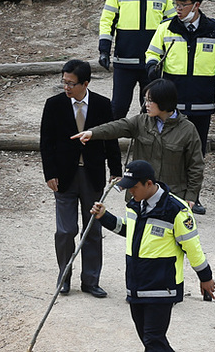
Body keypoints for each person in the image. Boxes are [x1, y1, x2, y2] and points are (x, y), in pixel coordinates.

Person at [89, 159, 215, 352]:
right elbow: (129, 230)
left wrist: (205, 278)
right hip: (136, 284)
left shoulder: (176, 210)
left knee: (153, 339)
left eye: (134, 187)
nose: (131, 191)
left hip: (161, 287)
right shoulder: (135, 204)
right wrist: (104, 217)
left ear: (149, 183)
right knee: (149, 340)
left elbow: (193, 248)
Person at [145, 0, 215, 213]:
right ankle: (163, 194)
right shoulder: (166, 28)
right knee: (167, 148)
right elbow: (152, 52)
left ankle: (192, 198)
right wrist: (151, 66)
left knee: (195, 153)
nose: (177, 8)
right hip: (171, 104)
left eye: (182, 4)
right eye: (175, 3)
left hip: (201, 102)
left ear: (196, 6)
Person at [39, 59, 121, 297]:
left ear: (85, 83)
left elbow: (111, 138)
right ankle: (64, 277)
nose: (66, 87)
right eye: (64, 82)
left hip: (92, 176)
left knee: (92, 229)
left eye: (71, 83)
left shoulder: (103, 105)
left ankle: (91, 280)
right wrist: (50, 173)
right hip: (64, 177)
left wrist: (115, 169)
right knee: (65, 231)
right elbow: (46, 143)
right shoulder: (53, 105)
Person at [72, 79, 204, 206]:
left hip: (171, 197)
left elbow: (195, 166)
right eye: (146, 99)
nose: (146, 104)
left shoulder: (187, 130)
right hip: (140, 195)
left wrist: (191, 197)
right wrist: (92, 133)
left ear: (164, 101)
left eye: (150, 101)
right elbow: (117, 127)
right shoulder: (141, 122)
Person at [98, 0, 175, 118]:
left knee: (151, 111)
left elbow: (171, 27)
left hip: (152, 64)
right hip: (124, 61)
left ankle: (146, 145)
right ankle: (110, 145)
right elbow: (107, 20)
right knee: (118, 108)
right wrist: (104, 50)